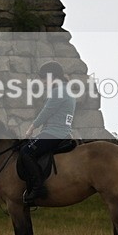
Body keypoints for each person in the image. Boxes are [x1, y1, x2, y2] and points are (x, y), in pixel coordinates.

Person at [20, 61, 76, 203]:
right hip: (61, 132)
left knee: (26, 151)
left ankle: (39, 188)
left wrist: (31, 128)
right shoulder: (66, 90)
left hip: (54, 133)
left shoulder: (59, 91)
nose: (42, 82)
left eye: (44, 78)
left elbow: (46, 112)